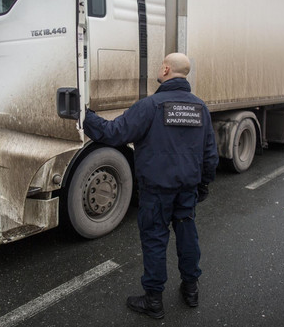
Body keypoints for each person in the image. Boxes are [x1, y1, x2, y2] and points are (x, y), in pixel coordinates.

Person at [83, 53, 219, 319]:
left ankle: (154, 300)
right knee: (187, 236)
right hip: (187, 189)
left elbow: (113, 133)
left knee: (155, 240)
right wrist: (203, 184)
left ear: (166, 69)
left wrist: (85, 116)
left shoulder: (150, 106)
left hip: (156, 191)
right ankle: (191, 290)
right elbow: (209, 155)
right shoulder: (200, 108)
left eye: (161, 65)